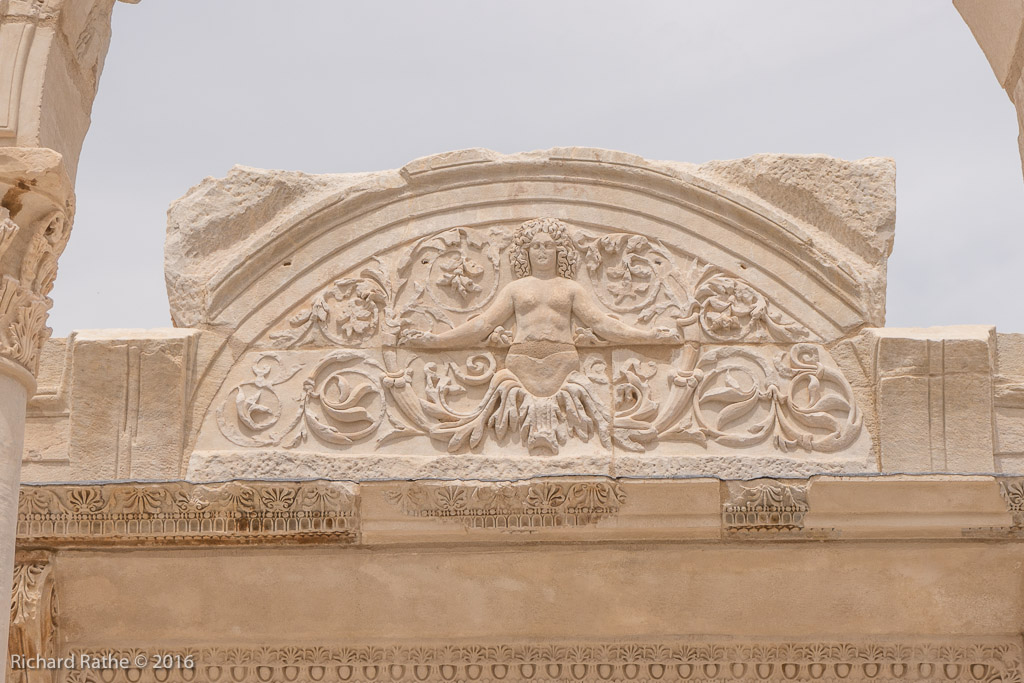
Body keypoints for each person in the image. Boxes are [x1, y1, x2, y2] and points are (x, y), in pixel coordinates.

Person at [401, 218, 677, 396]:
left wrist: (648, 336)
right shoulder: (515, 289)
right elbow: (484, 324)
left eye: (548, 246)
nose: (542, 251)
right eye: (536, 246)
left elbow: (601, 324)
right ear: (526, 252)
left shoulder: (571, 289)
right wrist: (437, 340)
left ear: (560, 251)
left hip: (563, 360)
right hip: (521, 360)